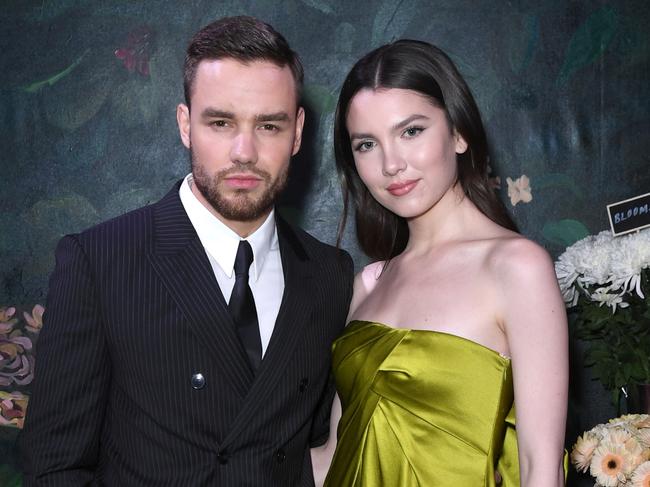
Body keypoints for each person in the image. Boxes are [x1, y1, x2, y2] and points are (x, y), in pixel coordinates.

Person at [18, 16, 353, 486]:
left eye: (269, 126)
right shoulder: (99, 262)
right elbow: (53, 470)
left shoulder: (329, 274)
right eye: (220, 122)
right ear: (184, 125)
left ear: (297, 132)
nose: (244, 151)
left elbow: (312, 448)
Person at [312, 40, 568, 486]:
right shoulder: (369, 284)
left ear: (458, 132)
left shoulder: (516, 268)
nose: (392, 164)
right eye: (367, 144)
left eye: (411, 131)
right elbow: (335, 454)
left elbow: (540, 469)